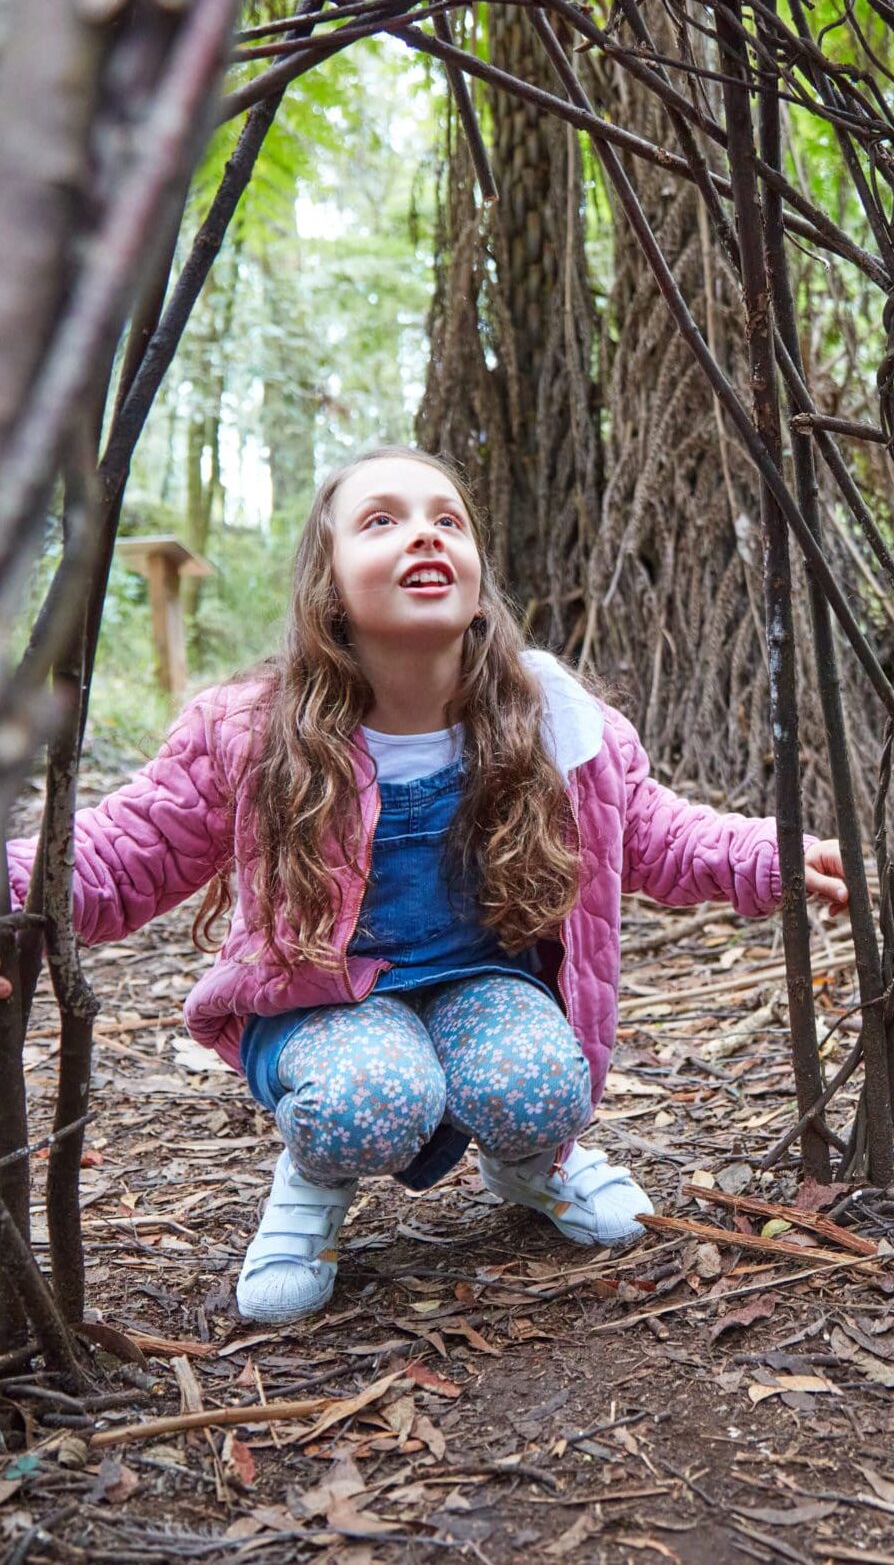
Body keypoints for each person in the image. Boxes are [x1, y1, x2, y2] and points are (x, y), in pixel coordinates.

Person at [6, 447, 847, 1324]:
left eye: (447, 519)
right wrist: (9, 890)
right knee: (375, 1094)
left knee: (543, 1083)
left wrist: (773, 854)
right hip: (319, 996)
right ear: (327, 587)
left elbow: (652, 831)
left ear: (477, 582)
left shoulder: (548, 716)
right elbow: (121, 851)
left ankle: (529, 1160)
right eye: (382, 520)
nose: (424, 535)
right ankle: (315, 1175)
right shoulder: (252, 730)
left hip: (480, 981)